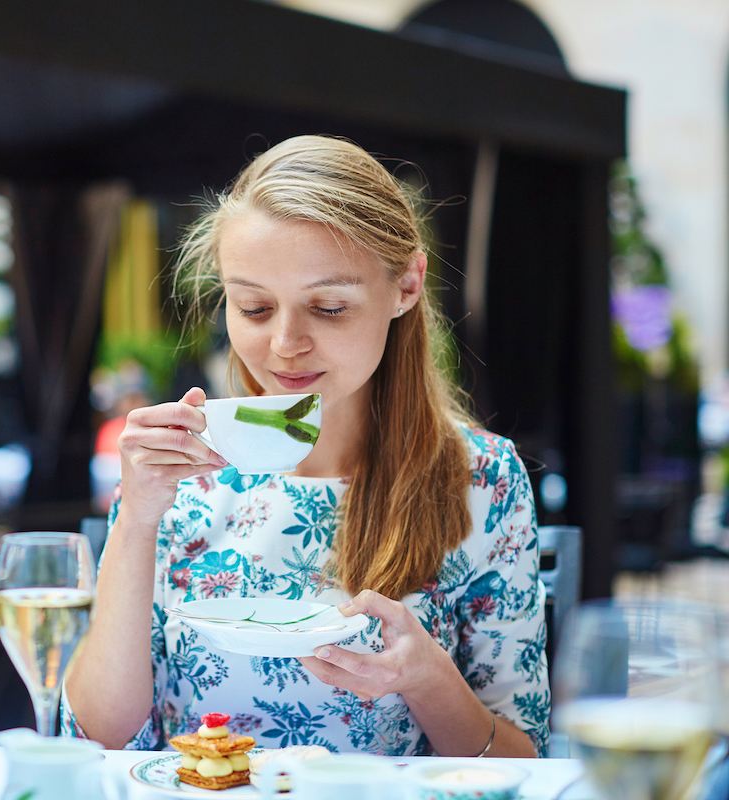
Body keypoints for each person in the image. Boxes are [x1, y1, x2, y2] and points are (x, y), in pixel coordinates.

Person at [63, 135, 548, 758]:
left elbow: (527, 768)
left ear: (406, 285)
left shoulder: (480, 479)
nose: (286, 343)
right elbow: (95, 738)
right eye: (255, 307)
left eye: (328, 307)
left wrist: (427, 677)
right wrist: (135, 517)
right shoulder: (176, 470)